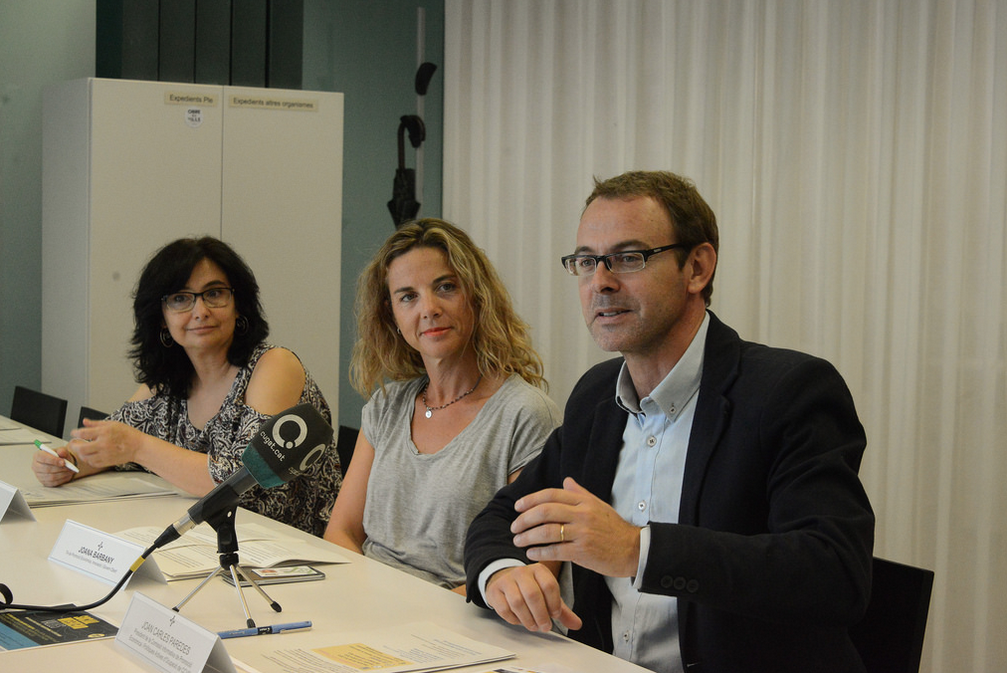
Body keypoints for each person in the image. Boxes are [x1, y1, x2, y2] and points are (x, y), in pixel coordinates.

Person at [464, 171, 875, 672]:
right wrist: (504, 573)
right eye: (588, 262)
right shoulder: (596, 396)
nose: (602, 282)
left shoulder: (789, 391)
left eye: (629, 257)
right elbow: (504, 516)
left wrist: (639, 550)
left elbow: (834, 573)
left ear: (697, 268)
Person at [31, 237, 341, 537]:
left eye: (215, 294)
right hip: (209, 543)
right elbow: (112, 445)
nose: (200, 311)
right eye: (181, 299)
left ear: (238, 304)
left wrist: (138, 446)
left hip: (290, 552)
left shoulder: (274, 366)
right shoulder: (168, 381)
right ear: (162, 318)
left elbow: (248, 482)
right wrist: (65, 462)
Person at [324, 218, 561, 593]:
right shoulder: (386, 406)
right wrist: (368, 606)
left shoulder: (525, 413)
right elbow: (341, 531)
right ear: (392, 316)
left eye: (445, 287)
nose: (428, 308)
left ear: (476, 296)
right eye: (408, 296)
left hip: (461, 626)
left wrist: (411, 618)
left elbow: (530, 571)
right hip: (365, 608)